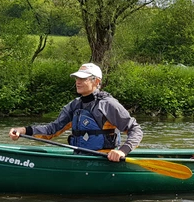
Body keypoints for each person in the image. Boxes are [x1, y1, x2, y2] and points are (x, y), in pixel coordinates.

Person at [9, 63, 143, 162]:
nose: (78, 82)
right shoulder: (75, 105)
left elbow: (135, 130)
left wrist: (122, 151)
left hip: (103, 161)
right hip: (80, 159)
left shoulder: (108, 104)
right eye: (77, 78)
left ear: (96, 81)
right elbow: (53, 129)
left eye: (83, 79)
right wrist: (23, 130)